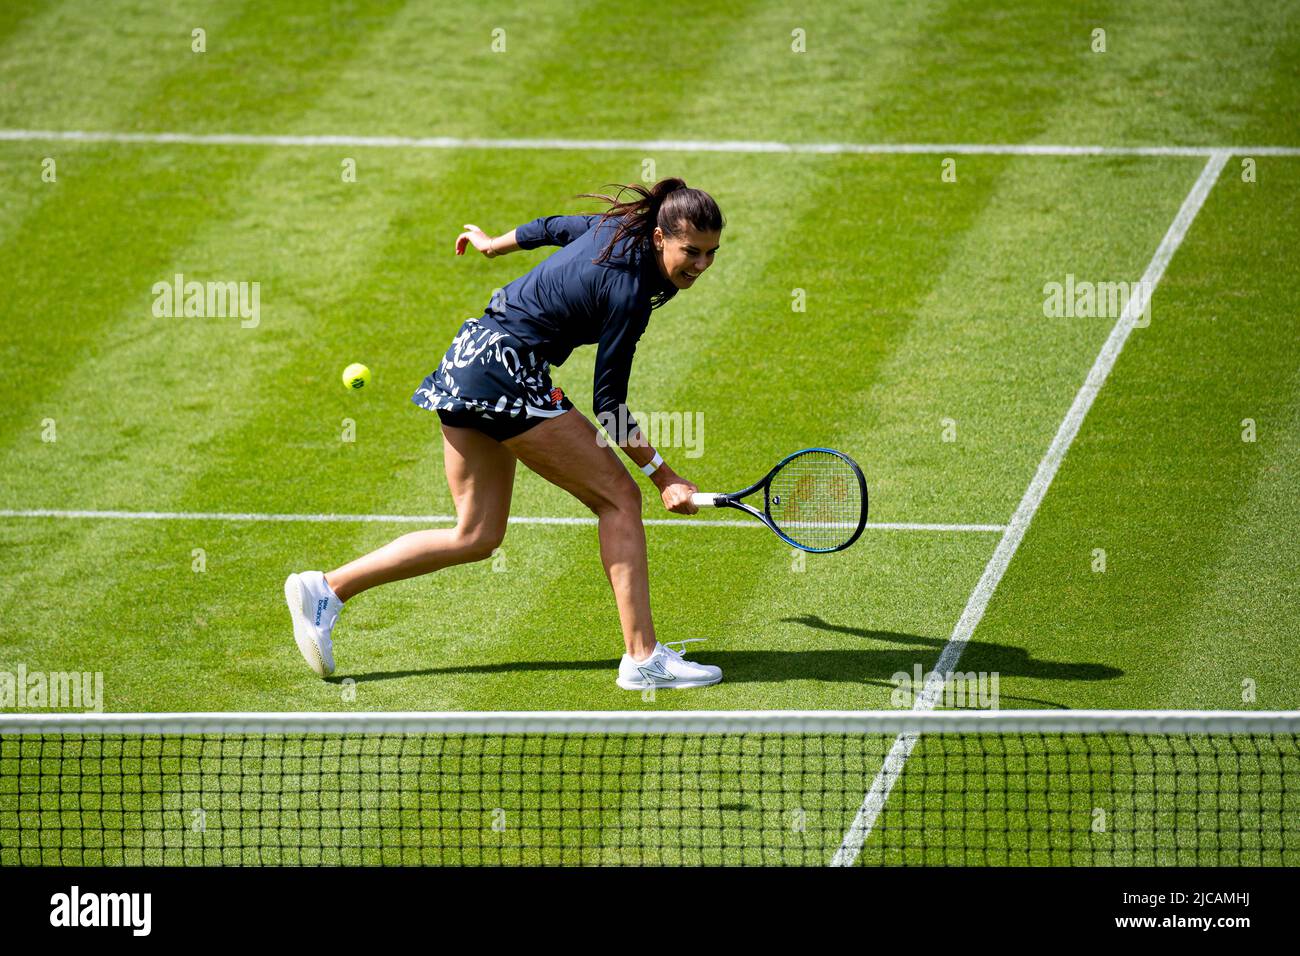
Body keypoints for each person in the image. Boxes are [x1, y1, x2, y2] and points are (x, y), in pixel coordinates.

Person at [284, 177, 725, 690]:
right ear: (659, 237)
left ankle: (327, 589)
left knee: (475, 535)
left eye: (712, 253)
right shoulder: (629, 290)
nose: (700, 265)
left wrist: (497, 244)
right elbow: (609, 404)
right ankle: (643, 657)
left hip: (468, 358)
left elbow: (554, 228)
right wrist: (663, 475)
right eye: (691, 252)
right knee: (620, 498)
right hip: (508, 373)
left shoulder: (615, 228)